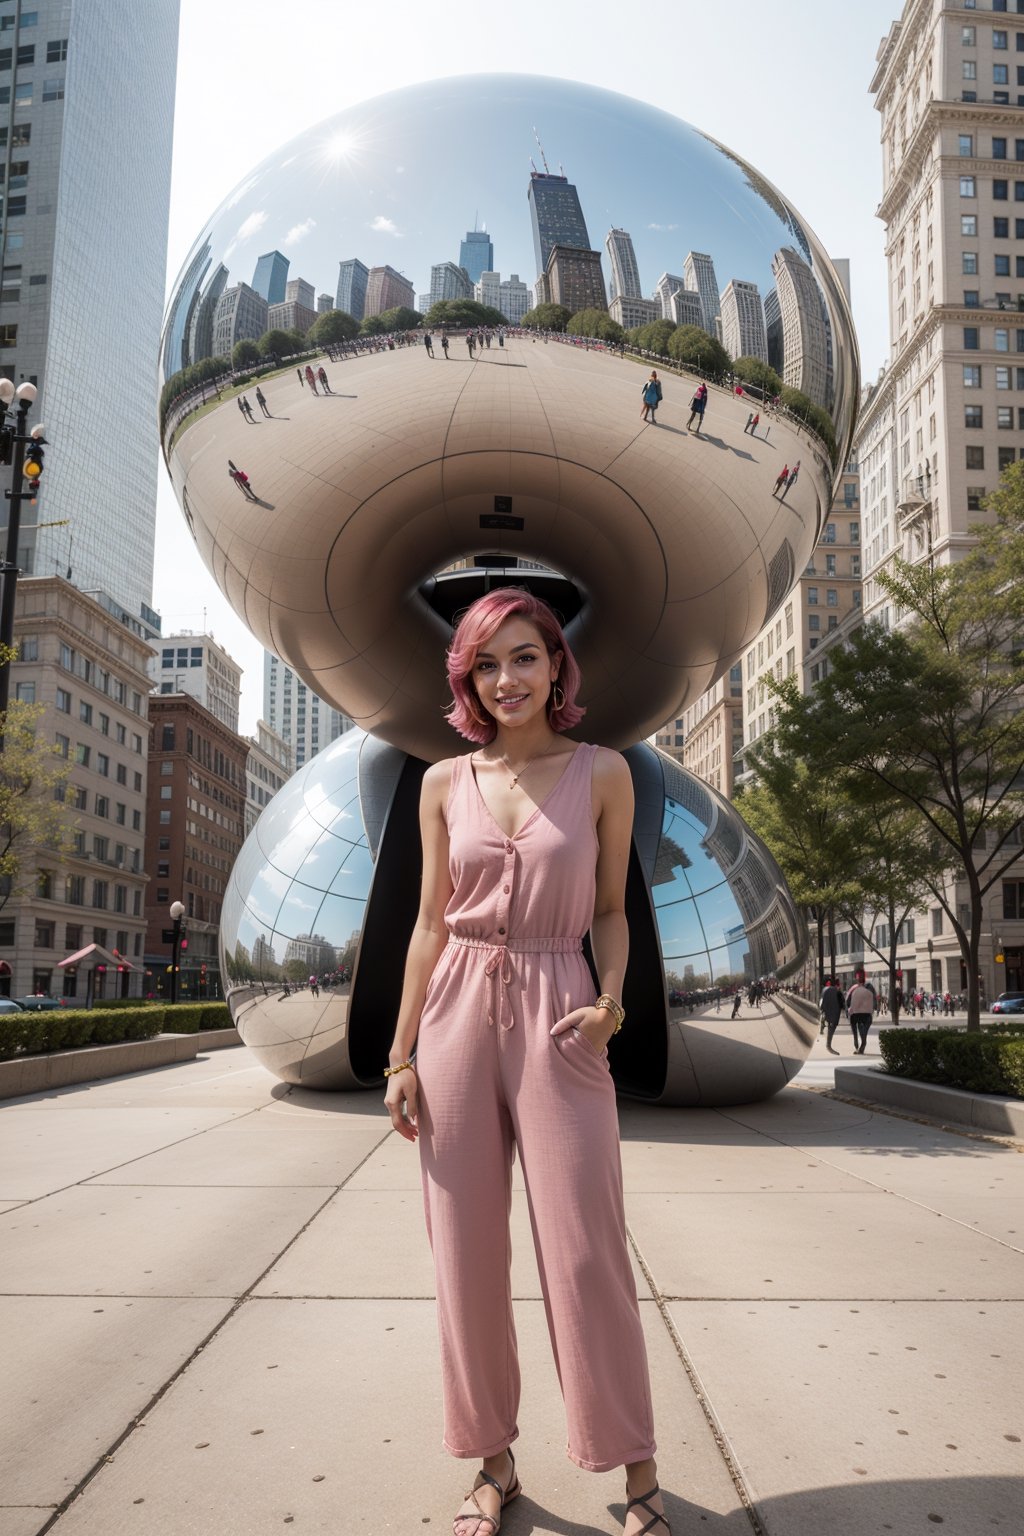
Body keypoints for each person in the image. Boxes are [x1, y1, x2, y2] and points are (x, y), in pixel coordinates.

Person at [384, 588, 668, 1536]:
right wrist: (401, 1053)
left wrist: (611, 1005)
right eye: (486, 664)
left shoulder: (606, 773)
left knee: (587, 1253)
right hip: (455, 1016)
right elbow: (428, 924)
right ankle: (492, 1467)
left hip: (562, 1015)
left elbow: (613, 910)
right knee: (463, 1255)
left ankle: (638, 1482)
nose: (507, 679)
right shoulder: (439, 784)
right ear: (468, 679)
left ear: (557, 667)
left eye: (524, 658)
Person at [845, 968, 878, 1055]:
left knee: (855, 1025)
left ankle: (856, 1040)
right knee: (864, 1029)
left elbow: (847, 1001)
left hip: (855, 1014)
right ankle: (862, 1043)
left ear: (857, 978)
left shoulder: (853, 988)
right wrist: (874, 1008)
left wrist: (848, 1010)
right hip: (867, 1014)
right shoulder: (870, 988)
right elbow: (874, 999)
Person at [818, 977, 847, 1055]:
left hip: (828, 1013)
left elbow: (822, 1003)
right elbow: (842, 1004)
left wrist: (823, 1009)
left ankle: (828, 1045)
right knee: (831, 1027)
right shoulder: (837, 991)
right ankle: (828, 1045)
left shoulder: (826, 990)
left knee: (829, 1025)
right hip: (834, 1014)